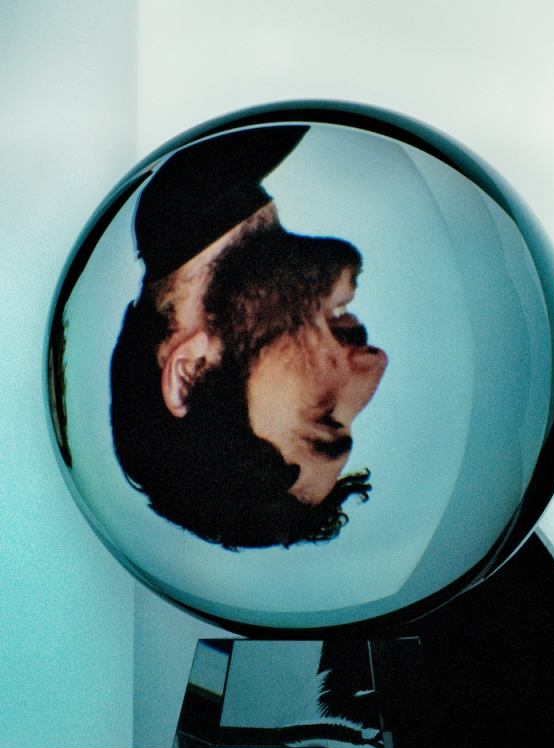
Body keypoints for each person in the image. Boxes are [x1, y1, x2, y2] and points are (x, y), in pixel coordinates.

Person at [110, 126, 388, 549]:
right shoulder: (239, 135)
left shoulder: (216, 123)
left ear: (192, 373)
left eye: (324, 418)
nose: (376, 363)